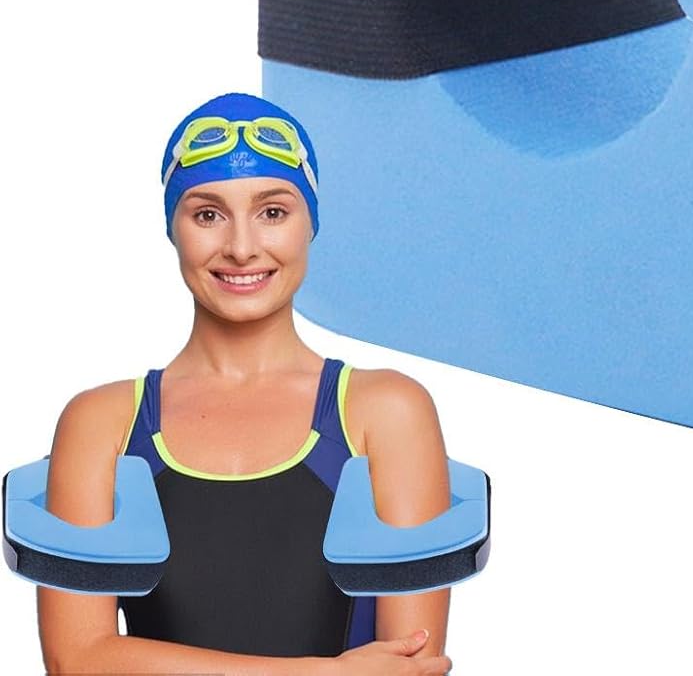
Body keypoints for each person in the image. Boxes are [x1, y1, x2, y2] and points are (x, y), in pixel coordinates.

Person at [36, 93, 456, 674]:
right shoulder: (102, 423)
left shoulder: (385, 412)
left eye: (273, 213)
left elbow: (409, 666)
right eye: (208, 215)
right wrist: (327, 674)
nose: (240, 247)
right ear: (173, 227)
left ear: (311, 224)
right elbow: (76, 660)